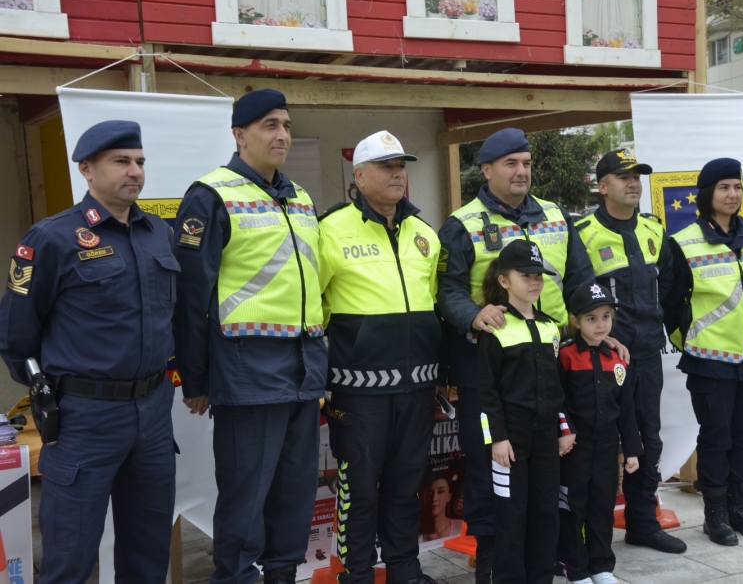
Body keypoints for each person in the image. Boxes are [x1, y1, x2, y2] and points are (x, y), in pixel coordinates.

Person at [0, 121, 179, 583]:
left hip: (154, 414)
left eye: (139, 161)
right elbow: (16, 335)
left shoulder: (158, 233)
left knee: (148, 551)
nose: (135, 171)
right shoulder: (52, 238)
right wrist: (48, 392)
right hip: (85, 417)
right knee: (71, 557)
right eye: (121, 161)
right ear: (87, 169)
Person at [173, 89, 327, 584]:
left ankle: (282, 575)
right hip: (248, 373)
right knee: (246, 495)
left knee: (295, 491)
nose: (281, 134)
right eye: (268, 125)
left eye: (285, 124)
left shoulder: (299, 196)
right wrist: (195, 378)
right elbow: (191, 295)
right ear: (239, 135)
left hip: (304, 371)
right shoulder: (211, 195)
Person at [436, 128, 599, 582]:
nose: (521, 170)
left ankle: (547, 553)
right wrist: (474, 314)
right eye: (510, 163)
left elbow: (579, 282)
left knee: (553, 467)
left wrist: (599, 330)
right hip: (489, 370)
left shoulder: (555, 216)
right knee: (493, 462)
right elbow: (445, 291)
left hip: (551, 367)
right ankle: (492, 554)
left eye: (526, 162)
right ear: (486, 171)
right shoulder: (462, 223)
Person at [318, 130, 441, 584]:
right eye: (386, 166)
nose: (397, 174)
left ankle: (405, 568)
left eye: (401, 166)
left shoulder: (424, 232)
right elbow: (315, 308)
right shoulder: (329, 229)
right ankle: (357, 573)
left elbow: (431, 303)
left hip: (417, 385)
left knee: (406, 485)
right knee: (359, 488)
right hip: (359, 390)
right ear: (359, 175)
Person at [574, 149, 685, 554]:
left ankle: (642, 522)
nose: (634, 183)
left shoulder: (654, 231)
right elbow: (575, 292)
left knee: (647, 441)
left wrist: (657, 328)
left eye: (638, 176)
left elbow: (671, 286)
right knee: (595, 443)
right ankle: (584, 534)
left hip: (647, 356)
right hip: (600, 361)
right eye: (624, 177)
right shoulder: (582, 232)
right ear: (603, 187)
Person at [663, 158, 743, 546]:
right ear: (706, 193)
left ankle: (739, 509)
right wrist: (690, 340)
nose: (732, 194)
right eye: (724, 187)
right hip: (710, 363)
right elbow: (671, 303)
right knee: (716, 438)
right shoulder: (684, 242)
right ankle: (714, 515)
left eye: (737, 187)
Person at [477, 240, 573, 584]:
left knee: (547, 513)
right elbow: (486, 395)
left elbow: (556, 388)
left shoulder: (550, 327)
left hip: (547, 437)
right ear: (504, 280)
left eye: (539, 276)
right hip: (510, 440)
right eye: (526, 275)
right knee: (511, 516)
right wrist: (497, 439)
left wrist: (564, 427)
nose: (535, 282)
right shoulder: (495, 329)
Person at [557, 282, 643, 584]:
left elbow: (627, 408)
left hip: (607, 448)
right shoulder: (565, 355)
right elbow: (558, 400)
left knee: (602, 507)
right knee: (572, 508)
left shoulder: (617, 358)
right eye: (591, 318)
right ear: (575, 321)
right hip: (575, 450)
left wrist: (631, 450)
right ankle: (576, 567)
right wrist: (565, 433)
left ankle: (601, 566)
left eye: (606, 316)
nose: (600, 324)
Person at [419, 474, 459, 541]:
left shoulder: (461, 527)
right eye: (429, 493)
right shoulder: (417, 534)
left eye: (440, 492)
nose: (434, 498)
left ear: (449, 497)